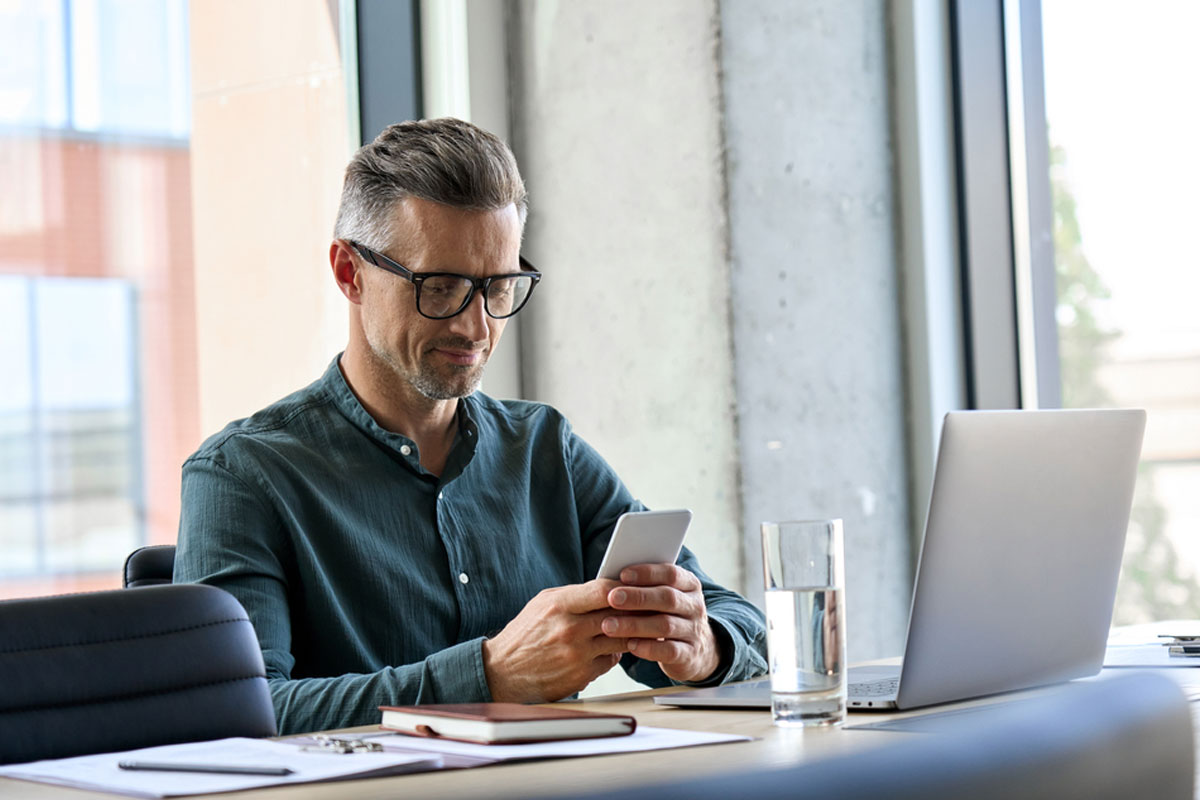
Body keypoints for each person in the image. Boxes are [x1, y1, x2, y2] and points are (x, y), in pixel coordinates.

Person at [174, 118, 767, 735]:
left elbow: (731, 617)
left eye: (498, 287)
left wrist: (699, 648)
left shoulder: (545, 450)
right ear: (351, 273)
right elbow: (236, 712)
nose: (476, 327)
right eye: (442, 286)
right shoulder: (243, 475)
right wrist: (488, 677)